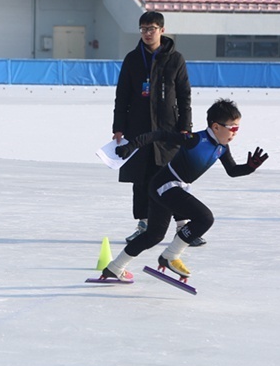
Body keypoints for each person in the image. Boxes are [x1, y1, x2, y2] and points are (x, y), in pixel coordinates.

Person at [103, 99, 268, 282]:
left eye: (237, 128)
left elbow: (232, 171)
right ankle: (171, 256)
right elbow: (158, 135)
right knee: (205, 218)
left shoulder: (222, 148)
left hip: (168, 187)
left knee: (154, 235)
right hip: (165, 185)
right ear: (215, 127)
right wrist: (131, 146)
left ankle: (114, 268)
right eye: (233, 128)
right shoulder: (195, 140)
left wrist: (250, 167)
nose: (235, 133)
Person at [112, 11, 199, 244]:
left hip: (169, 130)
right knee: (141, 178)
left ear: (162, 30)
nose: (147, 33)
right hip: (138, 129)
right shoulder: (132, 59)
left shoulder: (175, 59)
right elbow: (122, 95)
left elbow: (184, 96)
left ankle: (183, 226)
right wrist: (118, 126)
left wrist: (185, 127)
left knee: (173, 177)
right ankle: (143, 224)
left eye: (151, 28)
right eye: (143, 29)